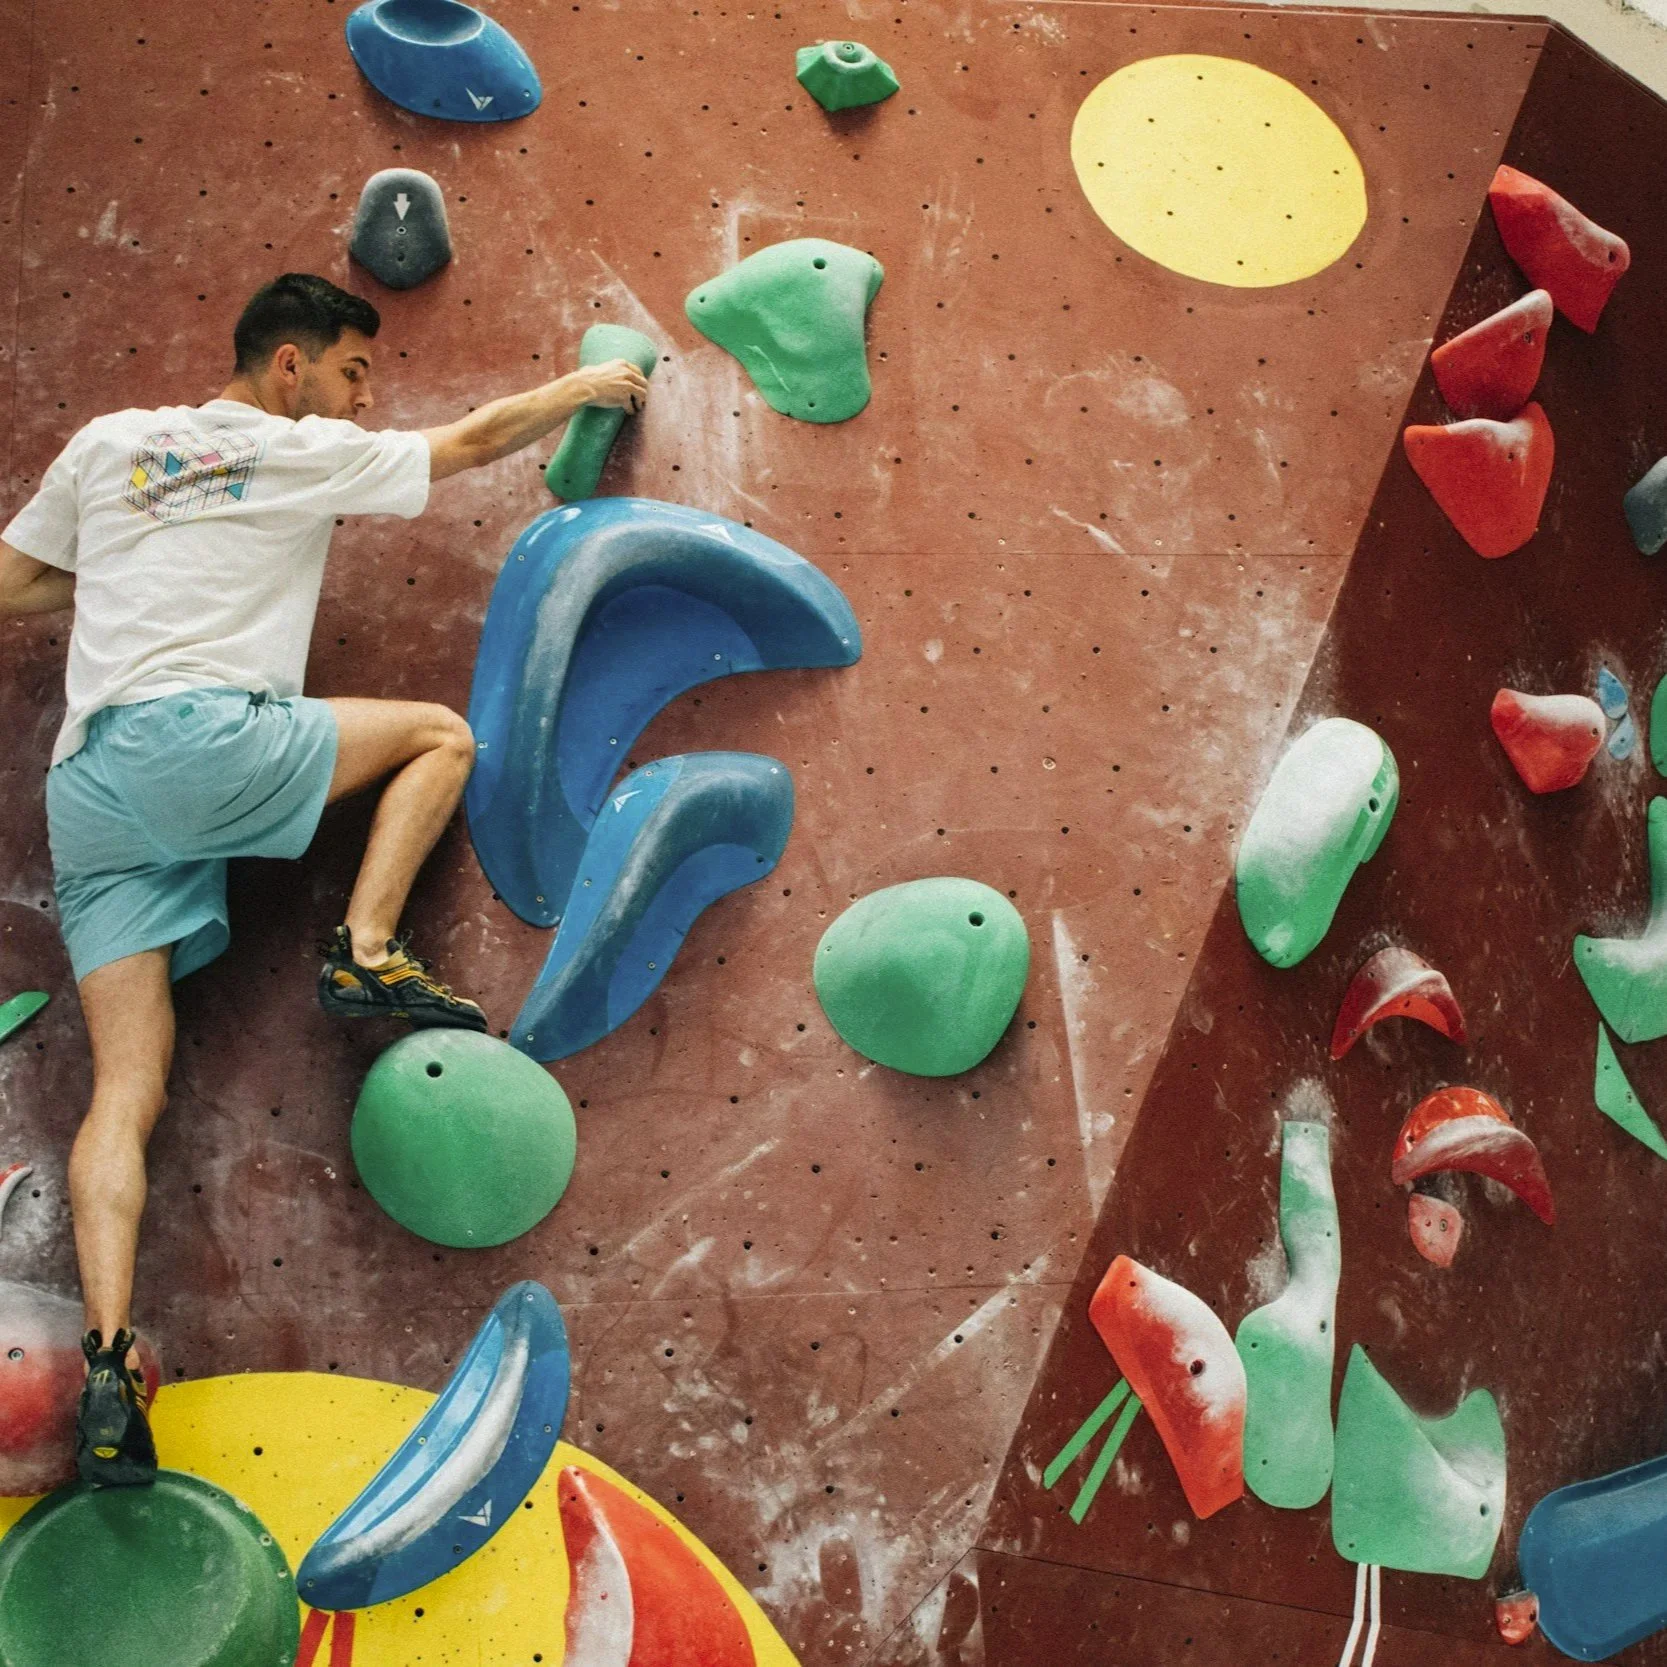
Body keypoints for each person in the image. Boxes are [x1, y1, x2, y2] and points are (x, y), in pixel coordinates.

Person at [0, 273, 649, 1487]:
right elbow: (462, 445)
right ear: (287, 367)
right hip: (202, 740)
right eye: (355, 370)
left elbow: (9, 582)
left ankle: (103, 1358)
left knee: (126, 1092)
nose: (367, 396)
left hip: (89, 788)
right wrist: (582, 386)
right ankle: (364, 943)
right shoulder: (295, 449)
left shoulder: (111, 445)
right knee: (439, 738)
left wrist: (139, 568)